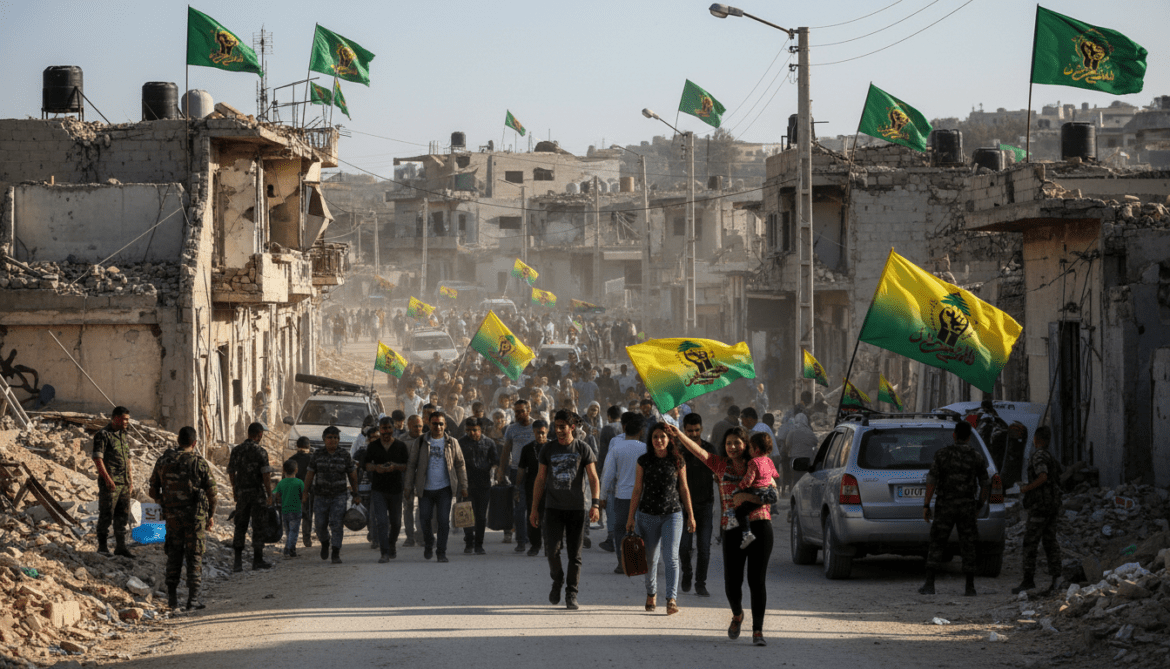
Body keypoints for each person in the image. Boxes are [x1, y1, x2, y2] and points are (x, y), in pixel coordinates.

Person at [670, 424, 776, 646]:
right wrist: (678, 433)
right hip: (731, 529)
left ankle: (758, 631)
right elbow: (698, 452)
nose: (733, 447)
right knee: (732, 582)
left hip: (760, 526)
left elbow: (773, 495)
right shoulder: (720, 465)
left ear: (746, 444)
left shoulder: (758, 463)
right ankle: (737, 615)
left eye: (737, 442)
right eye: (728, 443)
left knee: (757, 581)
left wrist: (748, 498)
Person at [529, 410, 601, 611]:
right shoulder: (547, 449)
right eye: (556, 426)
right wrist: (535, 509)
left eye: (563, 426)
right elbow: (540, 479)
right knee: (551, 551)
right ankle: (558, 579)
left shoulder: (583, 448)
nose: (558, 430)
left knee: (574, 555)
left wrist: (595, 504)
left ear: (572, 427)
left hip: (577, 509)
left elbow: (594, 478)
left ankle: (571, 593)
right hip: (553, 509)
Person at [626, 422, 695, 616]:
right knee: (650, 559)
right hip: (647, 515)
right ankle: (651, 593)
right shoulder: (643, 461)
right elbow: (637, 489)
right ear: (651, 440)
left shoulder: (678, 461)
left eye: (663, 437)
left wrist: (690, 515)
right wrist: (631, 517)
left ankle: (671, 599)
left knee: (671, 557)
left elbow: (683, 488)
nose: (659, 440)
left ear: (669, 439)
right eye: (655, 437)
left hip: (672, 514)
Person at [148, 426, 216, 610]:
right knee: (194, 556)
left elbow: (152, 489)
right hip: (194, 518)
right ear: (194, 443)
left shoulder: (163, 461)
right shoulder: (199, 463)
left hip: (172, 517)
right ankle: (192, 599)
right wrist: (210, 515)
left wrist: (163, 502)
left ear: (178, 441)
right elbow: (212, 493)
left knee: (174, 554)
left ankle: (172, 600)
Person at [919, 420, 990, 597]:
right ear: (969, 438)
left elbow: (931, 481)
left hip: (945, 506)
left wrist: (926, 505)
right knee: (968, 544)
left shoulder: (942, 455)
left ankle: (929, 584)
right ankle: (970, 586)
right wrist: (979, 505)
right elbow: (985, 483)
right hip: (967, 506)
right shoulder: (976, 457)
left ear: (954, 435)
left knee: (937, 542)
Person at [405, 411, 469, 563]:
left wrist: (464, 485)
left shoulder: (452, 442)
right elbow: (412, 464)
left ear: (445, 425)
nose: (438, 427)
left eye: (441, 424)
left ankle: (441, 552)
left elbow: (460, 464)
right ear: (429, 424)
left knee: (443, 521)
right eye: (435, 423)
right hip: (425, 489)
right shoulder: (420, 442)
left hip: (444, 489)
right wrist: (408, 486)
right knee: (425, 520)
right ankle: (429, 544)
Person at [1013, 426, 1062, 595]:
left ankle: (1028, 580)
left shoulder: (1039, 455)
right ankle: (1057, 579)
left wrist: (1026, 489)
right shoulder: (1050, 456)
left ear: (1037, 439)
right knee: (1050, 542)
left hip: (1040, 506)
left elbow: (1043, 476)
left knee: (1030, 542)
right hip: (1051, 505)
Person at [302, 426, 362, 564]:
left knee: (337, 524)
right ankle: (325, 542)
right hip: (320, 495)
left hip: (339, 495)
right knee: (320, 524)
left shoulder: (344, 455)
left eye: (336, 438)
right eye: (330, 437)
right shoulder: (317, 454)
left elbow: (352, 475)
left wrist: (356, 493)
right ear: (324, 439)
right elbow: (310, 474)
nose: (333, 440)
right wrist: (305, 492)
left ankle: (335, 552)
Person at [599, 412, 645, 573]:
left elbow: (607, 474)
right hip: (642, 497)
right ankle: (639, 562)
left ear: (625, 431)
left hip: (622, 496)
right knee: (641, 529)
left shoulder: (617, 448)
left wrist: (602, 497)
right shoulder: (645, 449)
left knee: (620, 530)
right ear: (640, 432)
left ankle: (622, 562)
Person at [227, 422, 274, 572]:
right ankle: (257, 560)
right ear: (259, 435)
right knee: (258, 526)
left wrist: (235, 489)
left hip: (242, 494)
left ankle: (238, 562)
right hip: (257, 493)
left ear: (248, 434)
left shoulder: (236, 450)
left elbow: (231, 472)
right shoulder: (261, 452)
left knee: (240, 525)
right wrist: (269, 494)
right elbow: (266, 475)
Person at [362, 416, 410, 562]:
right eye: (384, 428)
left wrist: (395, 466)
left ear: (393, 429)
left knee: (395, 523)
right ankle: (384, 553)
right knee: (381, 522)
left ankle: (391, 544)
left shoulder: (401, 446)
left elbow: (407, 466)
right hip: (378, 490)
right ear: (380, 429)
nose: (386, 431)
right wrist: (377, 468)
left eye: (389, 428)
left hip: (396, 490)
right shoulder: (373, 446)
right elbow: (366, 465)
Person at [679, 413, 716, 596]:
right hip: (683, 506)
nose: (693, 434)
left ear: (701, 429)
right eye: (689, 431)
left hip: (705, 505)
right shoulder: (678, 450)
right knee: (684, 547)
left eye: (696, 430)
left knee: (704, 548)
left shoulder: (709, 449)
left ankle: (700, 583)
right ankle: (687, 572)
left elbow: (720, 473)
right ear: (684, 430)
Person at [93, 406, 135, 558]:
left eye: (127, 420)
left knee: (122, 516)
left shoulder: (123, 435)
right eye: (124, 419)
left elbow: (128, 459)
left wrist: (130, 480)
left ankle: (121, 547)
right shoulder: (103, 435)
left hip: (123, 483)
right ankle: (103, 547)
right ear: (115, 418)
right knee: (106, 515)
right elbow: (98, 458)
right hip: (110, 483)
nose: (126, 422)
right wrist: (107, 478)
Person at [725, 433, 779, 549]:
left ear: (756, 449)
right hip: (767, 491)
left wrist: (741, 486)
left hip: (756, 491)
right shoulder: (769, 461)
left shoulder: (753, 462)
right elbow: (775, 475)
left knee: (740, 509)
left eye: (750, 447)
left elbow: (749, 480)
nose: (748, 450)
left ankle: (746, 532)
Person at [498, 399, 536, 550]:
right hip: (516, 473)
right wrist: (501, 470)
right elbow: (505, 451)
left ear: (529, 410)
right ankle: (520, 540)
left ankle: (533, 539)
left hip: (535, 473)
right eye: (516, 412)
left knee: (534, 507)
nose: (518, 414)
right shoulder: (511, 429)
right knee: (519, 508)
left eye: (521, 411)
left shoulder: (537, 426)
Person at [458, 418, 498, 555]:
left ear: (480, 430)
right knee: (467, 514)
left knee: (481, 516)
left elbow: (495, 461)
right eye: (468, 430)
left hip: (483, 484)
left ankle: (479, 545)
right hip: (466, 485)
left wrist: (494, 475)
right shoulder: (460, 443)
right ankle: (469, 542)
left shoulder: (489, 443)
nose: (471, 433)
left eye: (474, 430)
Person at [515, 419, 550, 557]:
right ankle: (535, 545)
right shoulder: (527, 449)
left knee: (549, 518)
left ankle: (549, 546)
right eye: (537, 433)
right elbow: (521, 469)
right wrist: (517, 487)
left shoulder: (554, 447)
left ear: (547, 431)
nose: (540, 436)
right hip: (532, 487)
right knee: (533, 515)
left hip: (551, 488)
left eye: (542, 433)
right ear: (533, 432)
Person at [273, 460, 304, 558]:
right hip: (296, 509)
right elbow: (304, 495)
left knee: (288, 531)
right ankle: (289, 549)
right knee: (294, 531)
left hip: (284, 510)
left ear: (283, 471)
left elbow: (276, 494)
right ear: (296, 470)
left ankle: (291, 549)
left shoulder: (281, 483)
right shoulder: (299, 482)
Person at [401, 415, 424, 546]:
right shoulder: (402, 440)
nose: (418, 428)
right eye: (415, 426)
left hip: (423, 478)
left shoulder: (427, 439)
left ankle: (421, 535)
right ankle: (409, 537)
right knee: (408, 506)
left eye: (420, 426)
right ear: (409, 426)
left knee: (422, 507)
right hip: (407, 478)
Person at [288, 437, 315, 548]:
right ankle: (306, 538)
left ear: (297, 447)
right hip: (309, 490)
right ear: (308, 447)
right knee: (307, 515)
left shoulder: (291, 460)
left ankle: (291, 541)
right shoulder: (312, 459)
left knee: (294, 516)